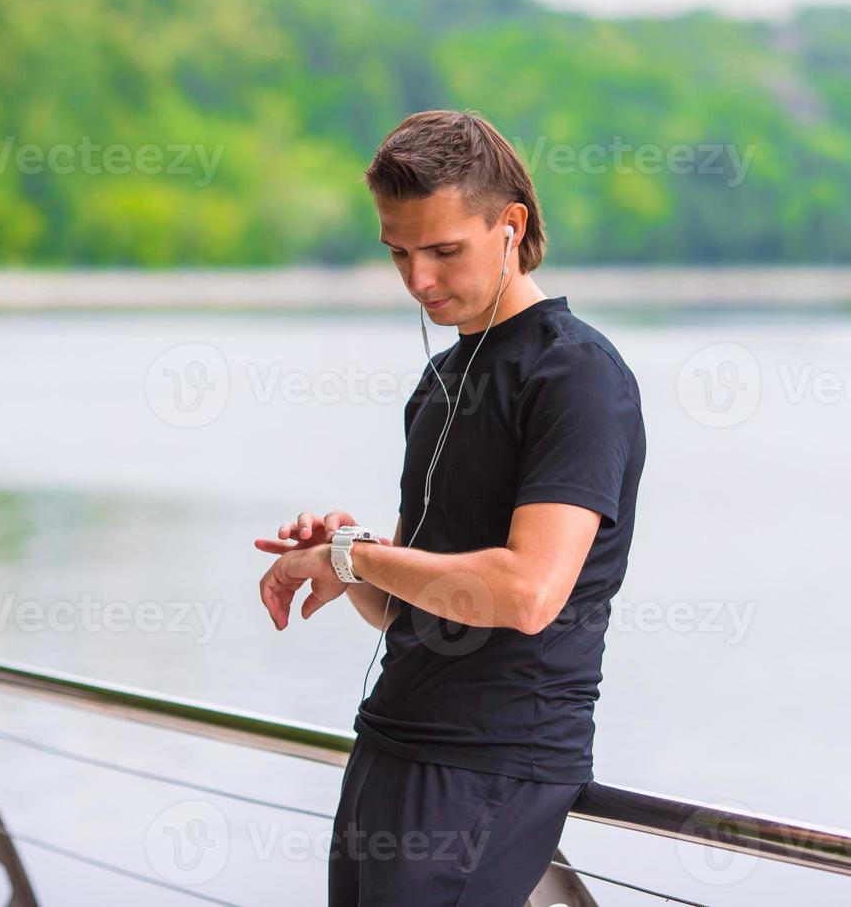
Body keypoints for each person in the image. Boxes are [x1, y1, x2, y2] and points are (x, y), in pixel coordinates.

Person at [255, 109, 646, 905]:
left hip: (491, 761)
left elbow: (525, 594)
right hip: (392, 743)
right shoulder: (441, 381)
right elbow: (411, 611)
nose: (419, 281)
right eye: (399, 253)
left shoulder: (576, 376)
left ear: (511, 227)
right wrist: (354, 555)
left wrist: (351, 556)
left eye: (443, 251)